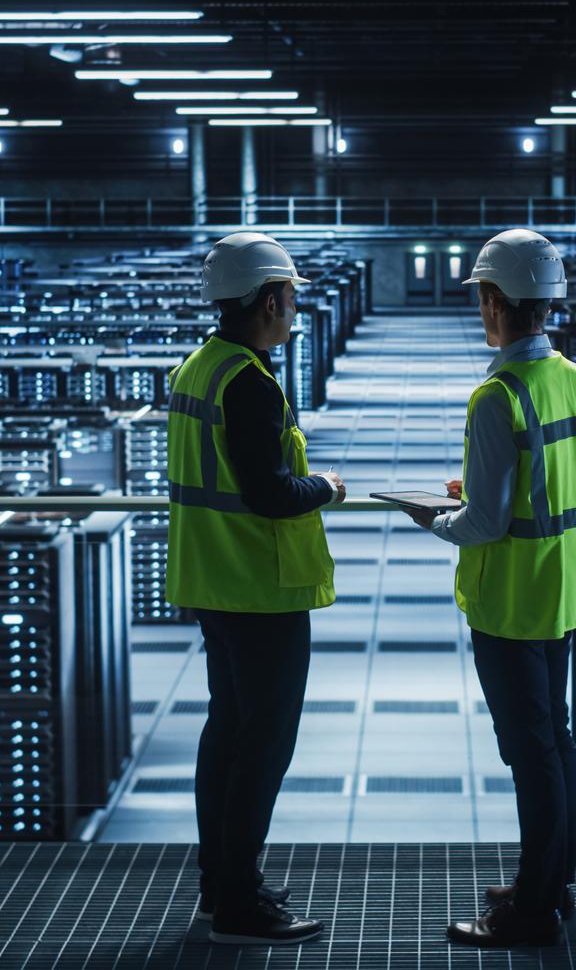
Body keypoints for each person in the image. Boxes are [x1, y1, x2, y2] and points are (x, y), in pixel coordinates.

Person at [405, 228, 576, 948]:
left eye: (481, 298)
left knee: (530, 755)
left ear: (492, 302)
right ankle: (548, 882)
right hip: (562, 590)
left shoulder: (496, 395)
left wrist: (435, 515)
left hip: (509, 600)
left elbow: (484, 525)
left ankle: (530, 915)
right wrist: (488, 496)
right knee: (556, 742)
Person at [165, 231, 345, 946]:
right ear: (271, 299)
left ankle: (222, 884)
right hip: (259, 588)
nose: (296, 307)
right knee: (263, 746)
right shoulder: (248, 381)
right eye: (292, 296)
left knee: (227, 736)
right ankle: (240, 901)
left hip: (212, 581)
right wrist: (325, 487)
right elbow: (271, 494)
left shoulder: (199, 367)